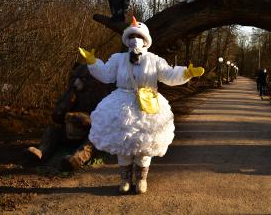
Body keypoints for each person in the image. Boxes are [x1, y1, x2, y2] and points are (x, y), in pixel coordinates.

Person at [78, 17, 204, 194]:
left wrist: (186, 73)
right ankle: (125, 179)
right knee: (123, 142)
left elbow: (169, 75)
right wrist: (93, 63)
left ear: (146, 40)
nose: (135, 39)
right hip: (122, 102)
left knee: (146, 143)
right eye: (132, 36)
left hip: (148, 104)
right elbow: (106, 74)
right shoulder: (118, 59)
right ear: (126, 39)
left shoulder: (155, 60)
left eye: (138, 36)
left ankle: (142, 178)